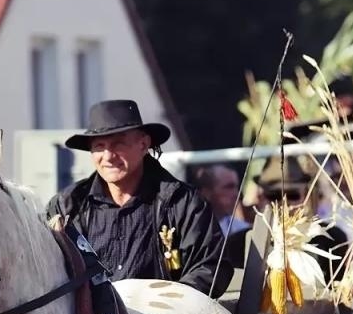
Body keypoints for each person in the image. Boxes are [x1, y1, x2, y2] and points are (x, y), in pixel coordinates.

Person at [47, 99, 231, 295]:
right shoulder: (66, 207)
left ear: (143, 144)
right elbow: (46, 269)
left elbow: (210, 266)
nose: (108, 156)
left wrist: (170, 303)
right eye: (99, 146)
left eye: (118, 144)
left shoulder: (182, 203)